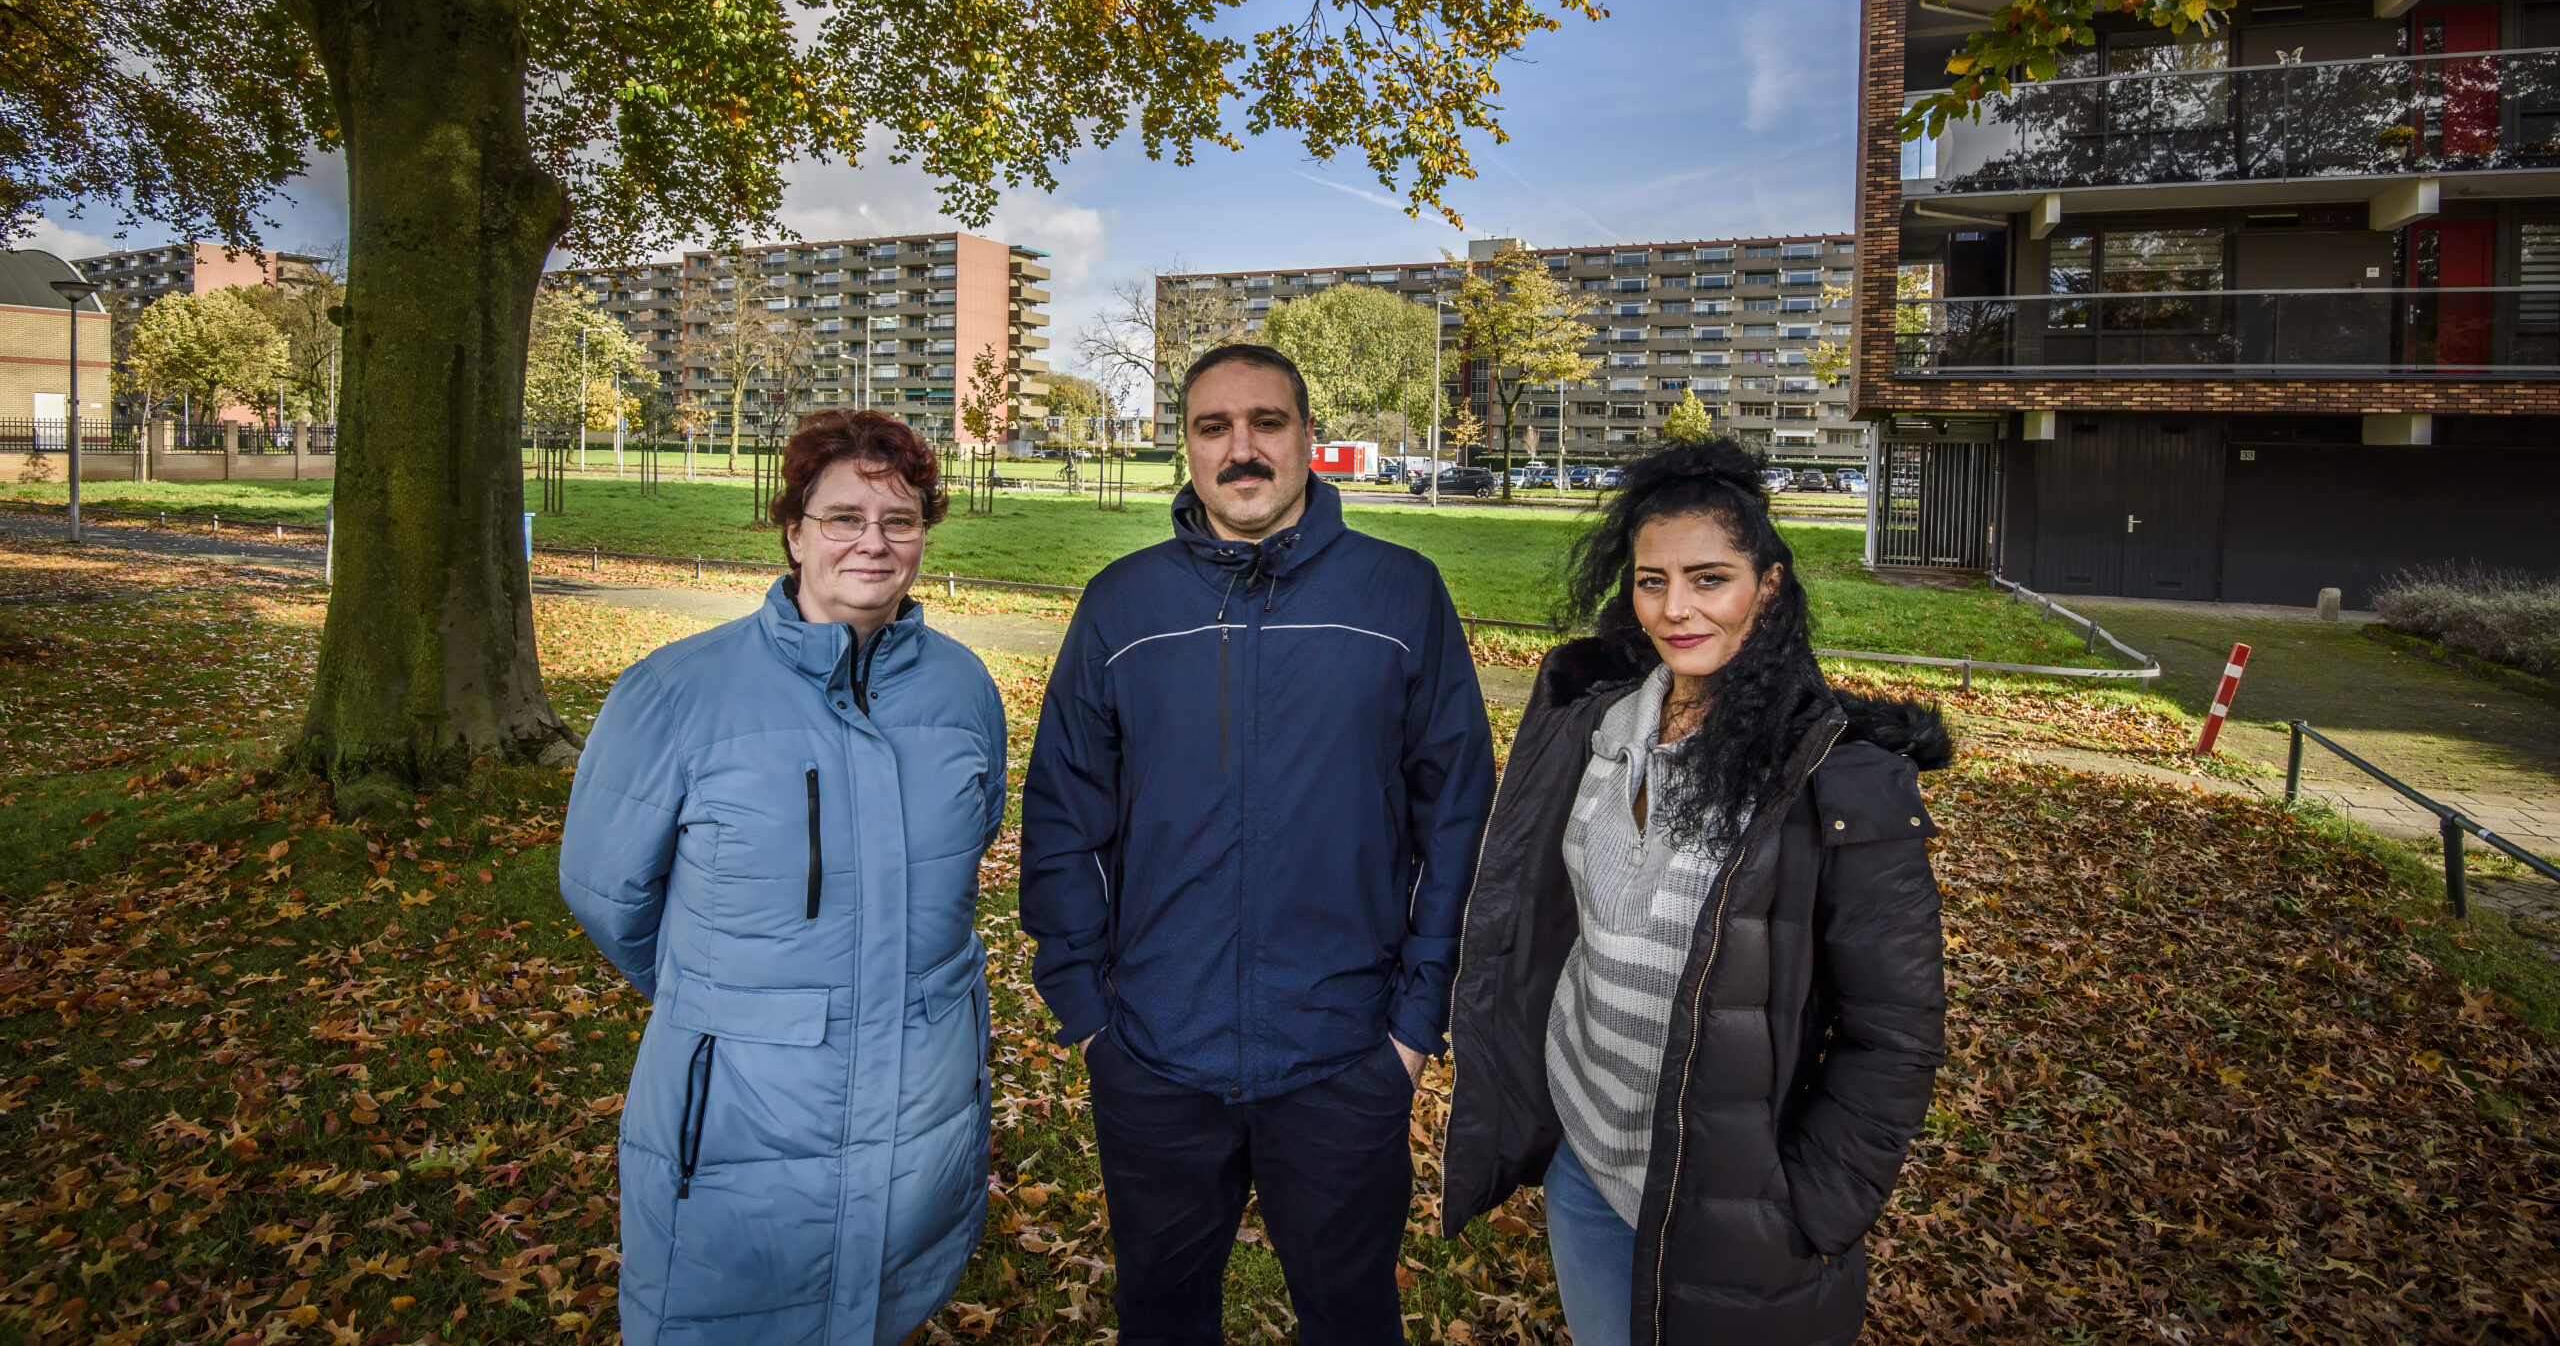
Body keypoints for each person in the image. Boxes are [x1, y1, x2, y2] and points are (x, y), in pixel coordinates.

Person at [1020, 343, 1497, 1346]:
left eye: (1266, 422)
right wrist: (1088, 1014)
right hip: (1152, 1052)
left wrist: (1415, 1025)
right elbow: (1064, 812)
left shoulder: (1399, 595)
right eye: (1212, 426)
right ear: (1186, 448)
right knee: (1160, 1313)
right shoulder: (1123, 604)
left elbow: (1459, 820)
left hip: (1343, 1053)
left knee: (1351, 1317)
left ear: (1307, 440)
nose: (1241, 447)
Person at [1439, 439, 1949, 1346]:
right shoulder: (1591, 724)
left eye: (1709, 579)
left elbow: (1896, 1032)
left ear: (1772, 585)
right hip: (1586, 1166)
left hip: (1732, 1213)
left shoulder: (1841, 780)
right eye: (1651, 580)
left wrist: (1810, 1213)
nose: (1675, 608)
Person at [560, 410, 1007, 1346]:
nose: (873, 542)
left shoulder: (965, 689)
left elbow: (972, 846)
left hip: (918, 1112)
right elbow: (608, 895)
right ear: (795, 531)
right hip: (738, 1123)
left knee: (884, 1310)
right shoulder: (677, 692)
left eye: (901, 518)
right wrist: (730, 1004)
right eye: (844, 517)